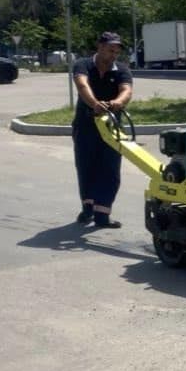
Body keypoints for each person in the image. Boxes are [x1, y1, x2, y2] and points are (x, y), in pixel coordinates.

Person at [71, 31, 134, 229]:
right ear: (99, 47)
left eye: (116, 51)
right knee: (86, 167)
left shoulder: (122, 70)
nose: (113, 55)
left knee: (110, 170)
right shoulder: (83, 65)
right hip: (85, 125)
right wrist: (94, 104)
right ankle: (88, 208)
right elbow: (82, 85)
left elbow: (126, 90)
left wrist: (118, 102)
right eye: (109, 50)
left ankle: (102, 214)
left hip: (112, 127)